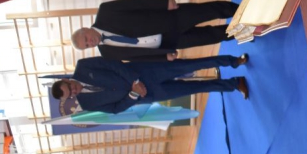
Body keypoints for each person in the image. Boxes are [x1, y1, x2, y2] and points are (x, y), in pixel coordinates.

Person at [51, 53, 250, 114]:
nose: (75, 91)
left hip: (146, 72)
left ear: (67, 80)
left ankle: (234, 61)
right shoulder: (87, 104)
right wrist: (133, 94)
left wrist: (134, 81)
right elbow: (114, 109)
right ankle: (234, 84)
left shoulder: (83, 66)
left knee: (194, 64)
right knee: (195, 88)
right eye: (72, 95)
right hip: (148, 94)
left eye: (71, 87)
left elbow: (112, 63)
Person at [72, 0, 239, 58]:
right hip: (168, 43)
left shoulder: (105, 12)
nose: (90, 42)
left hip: (169, 18)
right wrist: (163, 57)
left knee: (210, 11)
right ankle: (243, 31)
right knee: (211, 36)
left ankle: (243, 10)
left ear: (85, 29)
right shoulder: (107, 53)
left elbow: (135, 3)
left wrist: (163, 4)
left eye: (86, 39)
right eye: (87, 46)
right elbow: (139, 57)